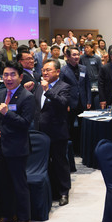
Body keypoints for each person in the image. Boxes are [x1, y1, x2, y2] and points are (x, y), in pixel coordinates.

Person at [0, 61, 35, 222]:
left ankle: (24, 219)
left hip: (17, 147)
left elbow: (25, 123)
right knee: (3, 183)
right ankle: (7, 215)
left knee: (19, 184)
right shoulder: (1, 93)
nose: (8, 78)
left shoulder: (27, 97)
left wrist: (8, 113)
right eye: (5, 75)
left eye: (13, 75)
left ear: (20, 77)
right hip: (1, 145)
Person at [34, 60, 73, 206]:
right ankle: (51, 191)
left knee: (60, 163)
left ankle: (63, 192)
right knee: (45, 163)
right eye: (43, 70)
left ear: (57, 72)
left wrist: (48, 90)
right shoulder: (39, 86)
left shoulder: (64, 86)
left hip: (57, 131)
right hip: (40, 132)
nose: (45, 73)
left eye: (48, 70)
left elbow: (63, 103)